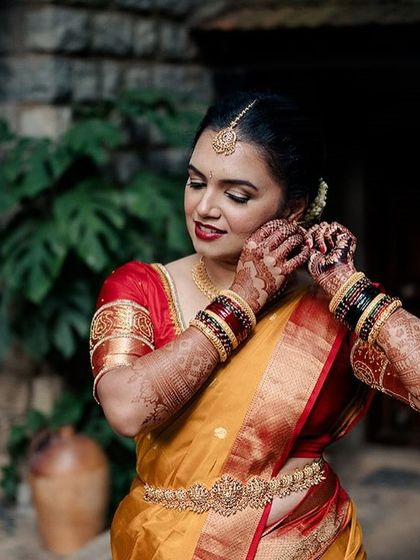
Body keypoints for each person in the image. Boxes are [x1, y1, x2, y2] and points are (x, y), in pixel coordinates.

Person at [89, 91, 420, 559]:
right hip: (162, 544)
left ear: (292, 208)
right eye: (195, 181)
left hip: (309, 544)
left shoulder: (330, 307)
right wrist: (241, 301)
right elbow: (127, 409)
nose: (204, 207)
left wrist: (355, 295)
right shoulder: (141, 286)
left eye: (236, 194)